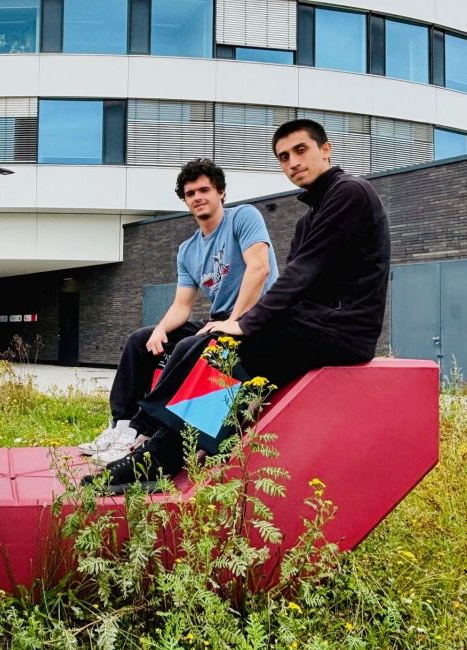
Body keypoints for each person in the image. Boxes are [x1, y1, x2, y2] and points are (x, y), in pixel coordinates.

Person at [95, 118, 391, 488]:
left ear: (325, 149)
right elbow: (301, 284)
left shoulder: (350, 193)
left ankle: (161, 449)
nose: (292, 162)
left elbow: (302, 272)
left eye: (301, 150)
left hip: (345, 330)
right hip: (318, 322)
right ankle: (161, 437)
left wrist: (246, 322)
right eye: (283, 157)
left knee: (224, 347)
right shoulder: (308, 218)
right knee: (212, 346)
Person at [79, 158, 278, 463]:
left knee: (190, 345)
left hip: (257, 318)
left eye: (204, 190)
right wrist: (160, 329)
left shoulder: (243, 218)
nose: (197, 197)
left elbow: (259, 269)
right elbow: (182, 305)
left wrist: (233, 320)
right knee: (140, 341)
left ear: (220, 192)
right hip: (219, 320)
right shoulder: (188, 249)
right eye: (190, 193)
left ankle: (144, 429)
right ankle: (122, 428)